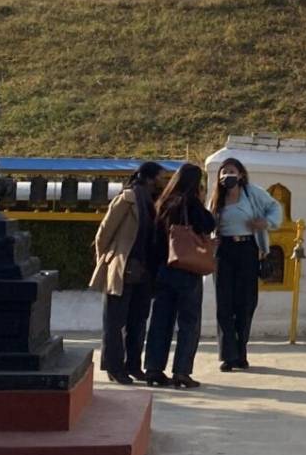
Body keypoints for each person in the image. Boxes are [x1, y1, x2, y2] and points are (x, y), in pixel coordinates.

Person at [90, 161, 164, 385]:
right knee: (115, 321)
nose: (163, 181)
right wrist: (107, 260)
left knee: (138, 320)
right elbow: (104, 233)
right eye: (160, 177)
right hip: (123, 267)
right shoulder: (128, 198)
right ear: (150, 178)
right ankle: (114, 367)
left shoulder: (154, 203)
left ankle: (133, 365)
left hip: (145, 269)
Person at [144, 163, 215, 389]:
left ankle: (154, 369)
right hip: (188, 270)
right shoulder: (191, 205)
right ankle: (182, 371)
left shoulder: (163, 204)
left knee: (160, 321)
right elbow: (209, 223)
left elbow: (154, 241)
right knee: (188, 322)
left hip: (165, 270)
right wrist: (202, 200)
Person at [210, 157, 282, 371]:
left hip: (248, 249)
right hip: (224, 251)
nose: (226, 176)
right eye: (223, 172)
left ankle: (241, 352)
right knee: (224, 304)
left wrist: (265, 223)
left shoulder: (252, 193)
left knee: (245, 303)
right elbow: (209, 222)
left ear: (240, 174)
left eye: (231, 171)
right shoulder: (217, 198)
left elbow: (274, 207)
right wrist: (211, 237)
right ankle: (227, 354)